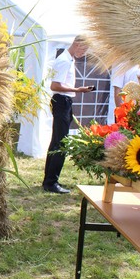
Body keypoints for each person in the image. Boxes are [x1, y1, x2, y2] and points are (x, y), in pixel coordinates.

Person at [42, 36, 93, 194]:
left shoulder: (68, 59)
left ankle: (49, 179)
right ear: (77, 44)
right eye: (83, 49)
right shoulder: (64, 60)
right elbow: (55, 85)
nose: (84, 53)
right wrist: (77, 90)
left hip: (64, 101)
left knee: (57, 141)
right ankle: (51, 182)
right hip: (61, 101)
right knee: (61, 143)